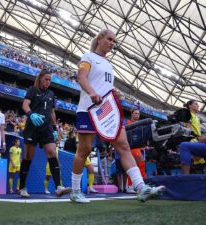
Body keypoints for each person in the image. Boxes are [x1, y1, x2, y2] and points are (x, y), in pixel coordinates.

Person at [70, 29, 165, 203]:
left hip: (107, 112)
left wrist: (112, 94)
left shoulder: (109, 65)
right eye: (110, 39)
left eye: (114, 41)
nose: (112, 43)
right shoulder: (88, 57)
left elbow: (104, 85)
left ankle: (141, 187)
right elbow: (81, 78)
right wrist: (92, 93)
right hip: (88, 110)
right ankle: (75, 191)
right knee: (84, 150)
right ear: (99, 39)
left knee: (124, 146)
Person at [19, 69, 70, 198]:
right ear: (40, 78)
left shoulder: (51, 94)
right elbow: (25, 105)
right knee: (28, 156)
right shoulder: (32, 90)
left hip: (46, 128)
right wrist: (31, 114)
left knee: (52, 153)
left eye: (50, 80)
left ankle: (58, 186)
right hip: (32, 127)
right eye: (46, 79)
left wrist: (54, 128)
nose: (48, 82)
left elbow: (52, 112)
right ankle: (22, 187)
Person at [126, 109, 146, 192]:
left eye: (138, 114)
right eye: (135, 113)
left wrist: (143, 145)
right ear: (131, 114)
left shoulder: (140, 124)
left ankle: (137, 185)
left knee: (140, 165)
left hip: (138, 147)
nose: (137, 115)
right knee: (136, 165)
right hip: (132, 147)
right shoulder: (128, 123)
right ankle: (130, 186)